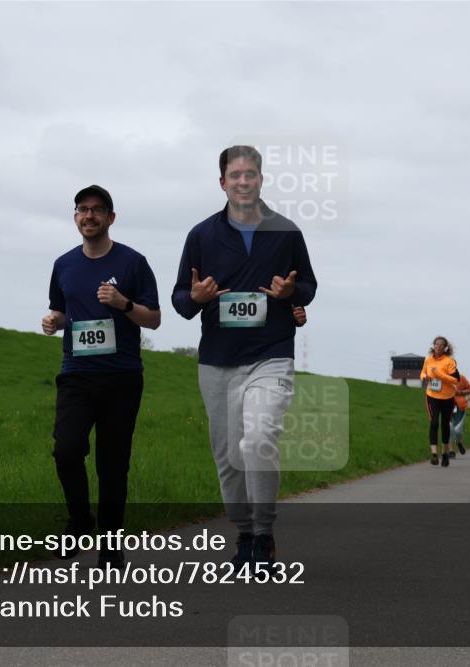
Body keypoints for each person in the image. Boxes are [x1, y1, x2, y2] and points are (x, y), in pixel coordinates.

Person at [172, 145, 317, 571]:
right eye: (234, 175)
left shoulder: (286, 232)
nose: (242, 181)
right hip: (218, 359)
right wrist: (195, 297)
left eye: (250, 174)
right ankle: (245, 534)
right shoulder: (201, 235)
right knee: (228, 456)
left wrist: (292, 293)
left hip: (270, 354)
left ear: (260, 179)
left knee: (257, 440)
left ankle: (265, 533)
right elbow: (181, 300)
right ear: (222, 182)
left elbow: (307, 284)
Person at [43, 185, 161, 567]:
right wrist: (53, 320)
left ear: (111, 217)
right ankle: (79, 523)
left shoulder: (133, 263)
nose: (89, 216)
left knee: (112, 464)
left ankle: (110, 544)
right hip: (76, 373)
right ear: (75, 217)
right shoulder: (64, 264)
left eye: (97, 210)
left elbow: (154, 319)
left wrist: (123, 303)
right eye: (82, 209)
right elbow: (61, 311)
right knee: (66, 449)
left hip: (122, 377)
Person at [421, 336, 460, 467]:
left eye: (441, 345)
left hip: (447, 398)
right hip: (432, 396)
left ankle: (444, 453)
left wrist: (439, 375)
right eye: (436, 344)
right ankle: (434, 454)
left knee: (445, 425)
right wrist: (425, 377)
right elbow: (422, 373)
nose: (438, 346)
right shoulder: (428, 359)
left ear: (445, 347)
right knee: (434, 423)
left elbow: (455, 380)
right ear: (434, 345)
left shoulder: (450, 361)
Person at [451, 371, 470, 455]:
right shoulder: (443, 377)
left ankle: (459, 442)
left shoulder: (461, 378)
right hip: (447, 406)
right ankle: (451, 450)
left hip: (460, 407)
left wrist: (461, 393)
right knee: (449, 428)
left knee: (457, 430)